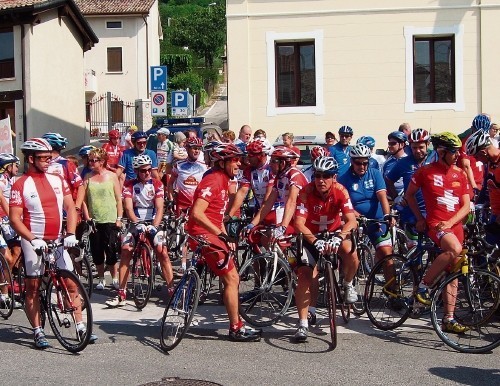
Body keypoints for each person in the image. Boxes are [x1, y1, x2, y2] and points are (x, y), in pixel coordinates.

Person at [9, 138, 95, 349]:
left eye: (50, 157)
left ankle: (80, 326)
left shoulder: (58, 179)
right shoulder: (20, 184)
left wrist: (70, 233)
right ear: (31, 159)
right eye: (43, 158)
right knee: (33, 287)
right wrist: (32, 239)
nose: (48, 161)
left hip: (57, 239)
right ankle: (38, 331)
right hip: (34, 240)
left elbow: (70, 207)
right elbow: (15, 219)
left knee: (71, 284)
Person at [186, 143, 261, 341]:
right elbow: (197, 213)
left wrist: (225, 234)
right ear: (222, 162)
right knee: (232, 278)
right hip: (203, 233)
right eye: (234, 160)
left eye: (239, 159)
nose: (239, 163)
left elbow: (217, 215)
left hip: (209, 232)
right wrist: (221, 234)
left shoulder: (223, 180)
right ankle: (236, 328)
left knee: (231, 277)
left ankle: (194, 286)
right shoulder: (213, 181)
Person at [405, 132, 471, 333]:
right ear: (441, 152)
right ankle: (424, 286)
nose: (458, 155)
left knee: (454, 272)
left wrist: (451, 222)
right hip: (436, 224)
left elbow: (466, 205)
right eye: (454, 152)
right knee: (454, 248)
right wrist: (420, 218)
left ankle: (449, 319)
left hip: (455, 225)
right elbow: (409, 195)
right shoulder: (425, 172)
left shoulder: (460, 173)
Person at [293, 156, 359, 342]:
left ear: (334, 177)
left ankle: (347, 284)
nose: (321, 180)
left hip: (334, 233)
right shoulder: (305, 192)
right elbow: (299, 223)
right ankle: (303, 324)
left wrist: (340, 237)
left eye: (326, 176)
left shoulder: (340, 190)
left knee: (351, 253)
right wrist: (314, 241)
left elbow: (351, 220)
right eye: (317, 175)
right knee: (305, 275)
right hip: (311, 236)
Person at [106, 154, 173, 307]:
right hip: (136, 222)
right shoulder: (129, 185)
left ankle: (171, 290)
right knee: (125, 250)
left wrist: (154, 226)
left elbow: (160, 207)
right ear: (136, 171)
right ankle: (121, 293)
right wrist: (136, 223)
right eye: (143, 171)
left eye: (149, 170)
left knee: (162, 251)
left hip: (153, 221)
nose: (147, 173)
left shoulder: (157, 184)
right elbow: (128, 208)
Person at [338, 143, 394, 264]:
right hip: (356, 220)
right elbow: (343, 205)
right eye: (358, 163)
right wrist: (356, 215)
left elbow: (382, 197)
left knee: (387, 255)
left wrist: (387, 215)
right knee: (348, 254)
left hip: (376, 219)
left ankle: (391, 283)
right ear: (352, 161)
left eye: (365, 163)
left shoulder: (375, 174)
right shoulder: (343, 179)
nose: (362, 166)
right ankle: (346, 278)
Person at [76, 148, 123, 291]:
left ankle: (114, 278)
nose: (90, 163)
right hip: (95, 220)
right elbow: (83, 200)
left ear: (102, 161)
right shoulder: (88, 178)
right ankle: (101, 278)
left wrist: (119, 218)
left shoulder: (112, 176)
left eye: (93, 160)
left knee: (111, 249)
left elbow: (118, 199)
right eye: (89, 160)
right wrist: (87, 216)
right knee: (97, 251)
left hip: (110, 217)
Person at [167, 137, 208, 275]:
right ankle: (183, 265)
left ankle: (198, 262)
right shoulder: (179, 165)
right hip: (182, 205)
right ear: (187, 149)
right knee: (185, 234)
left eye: (198, 148)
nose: (196, 150)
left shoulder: (204, 166)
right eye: (193, 148)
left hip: (198, 206)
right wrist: (172, 198)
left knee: (198, 235)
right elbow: (170, 183)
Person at [248, 146, 307, 239]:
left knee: (276, 238)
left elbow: (291, 202)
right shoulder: (280, 177)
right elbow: (268, 204)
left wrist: (282, 227)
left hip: (305, 217)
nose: (270, 164)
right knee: (265, 238)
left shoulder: (294, 176)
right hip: (293, 215)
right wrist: (252, 224)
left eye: (273, 161)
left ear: (282, 163)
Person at [385, 129, 431, 247]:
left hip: (432, 211)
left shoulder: (434, 159)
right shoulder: (404, 162)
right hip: (411, 213)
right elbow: (389, 180)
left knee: (434, 249)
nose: (417, 151)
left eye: (421, 147)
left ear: (428, 144)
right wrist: (396, 197)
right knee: (414, 250)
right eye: (414, 147)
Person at [464, 130, 500, 244]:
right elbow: (487, 187)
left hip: (498, 219)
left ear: (484, 152)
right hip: (495, 214)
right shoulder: (490, 163)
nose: (477, 160)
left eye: (476, 156)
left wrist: (498, 222)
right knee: (489, 250)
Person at [228, 138, 273, 217]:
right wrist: (230, 214)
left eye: (251, 156)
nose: (248, 158)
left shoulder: (272, 168)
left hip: (275, 210)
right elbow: (242, 193)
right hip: (259, 209)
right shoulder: (249, 170)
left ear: (261, 155)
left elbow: (268, 197)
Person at [0, 153, 21, 307]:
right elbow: (3, 201)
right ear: (7, 167)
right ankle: (4, 293)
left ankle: (7, 283)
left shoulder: (10, 179)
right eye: (15, 164)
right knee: (6, 258)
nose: (18, 167)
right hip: (3, 220)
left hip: (8, 221)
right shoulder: (1, 181)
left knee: (18, 252)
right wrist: (14, 219)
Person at [42, 132, 83, 202]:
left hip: (65, 207)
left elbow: (80, 187)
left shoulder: (66, 164)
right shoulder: (41, 164)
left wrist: (77, 207)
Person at [382, 131, 408, 197]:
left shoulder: (409, 161)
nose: (389, 146)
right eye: (389, 143)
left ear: (402, 145)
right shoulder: (386, 163)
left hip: (406, 201)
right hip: (391, 201)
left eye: (393, 143)